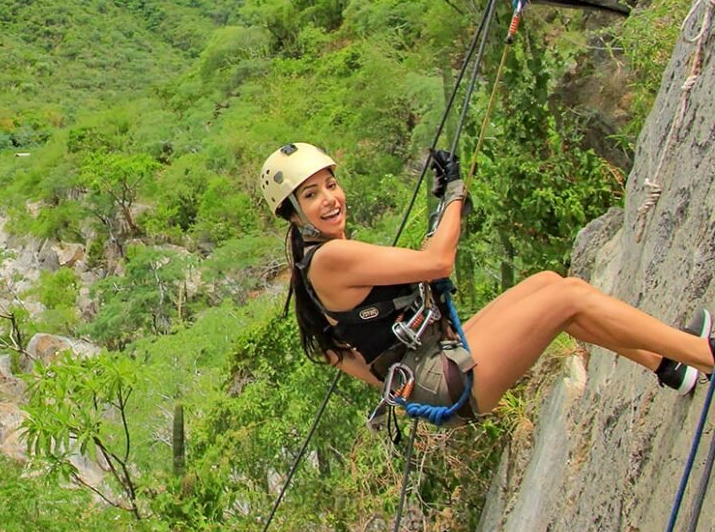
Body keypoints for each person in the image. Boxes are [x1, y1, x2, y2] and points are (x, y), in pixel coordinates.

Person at [259, 142, 715, 424]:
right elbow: (438, 262)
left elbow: (339, 354)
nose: (330, 199)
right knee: (567, 296)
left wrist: (405, 390)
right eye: (311, 195)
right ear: (293, 213)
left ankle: (668, 365)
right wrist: (455, 193)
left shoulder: (311, 263)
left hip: (436, 367)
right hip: (444, 376)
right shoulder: (332, 258)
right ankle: (705, 356)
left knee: (548, 285)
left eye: (330, 185)